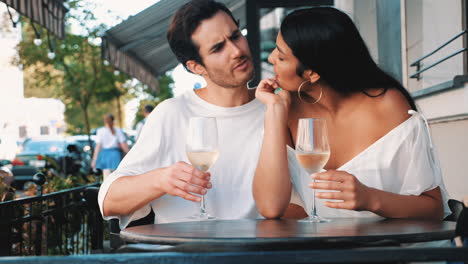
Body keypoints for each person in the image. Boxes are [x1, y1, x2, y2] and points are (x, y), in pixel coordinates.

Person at [98, 0, 298, 228]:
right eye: (217, 48)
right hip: (187, 254)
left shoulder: (276, 106)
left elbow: (301, 202)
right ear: (196, 67)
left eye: (235, 36)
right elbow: (108, 201)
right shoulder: (173, 113)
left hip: (260, 253)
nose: (237, 51)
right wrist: (161, 179)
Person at [254, 7, 450, 220]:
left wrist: (369, 198)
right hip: (322, 249)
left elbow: (433, 209)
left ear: (312, 73)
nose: (271, 58)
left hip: (391, 247)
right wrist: (274, 110)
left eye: (281, 57)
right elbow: (270, 208)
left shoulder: (388, 105)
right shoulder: (285, 108)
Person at [91, 114, 130, 178]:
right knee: (116, 177)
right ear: (113, 121)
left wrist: (94, 160)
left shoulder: (100, 131)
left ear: (104, 121)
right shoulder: (118, 130)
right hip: (115, 156)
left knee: (106, 178)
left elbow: (98, 147)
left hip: (104, 156)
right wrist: (130, 154)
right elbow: (124, 145)